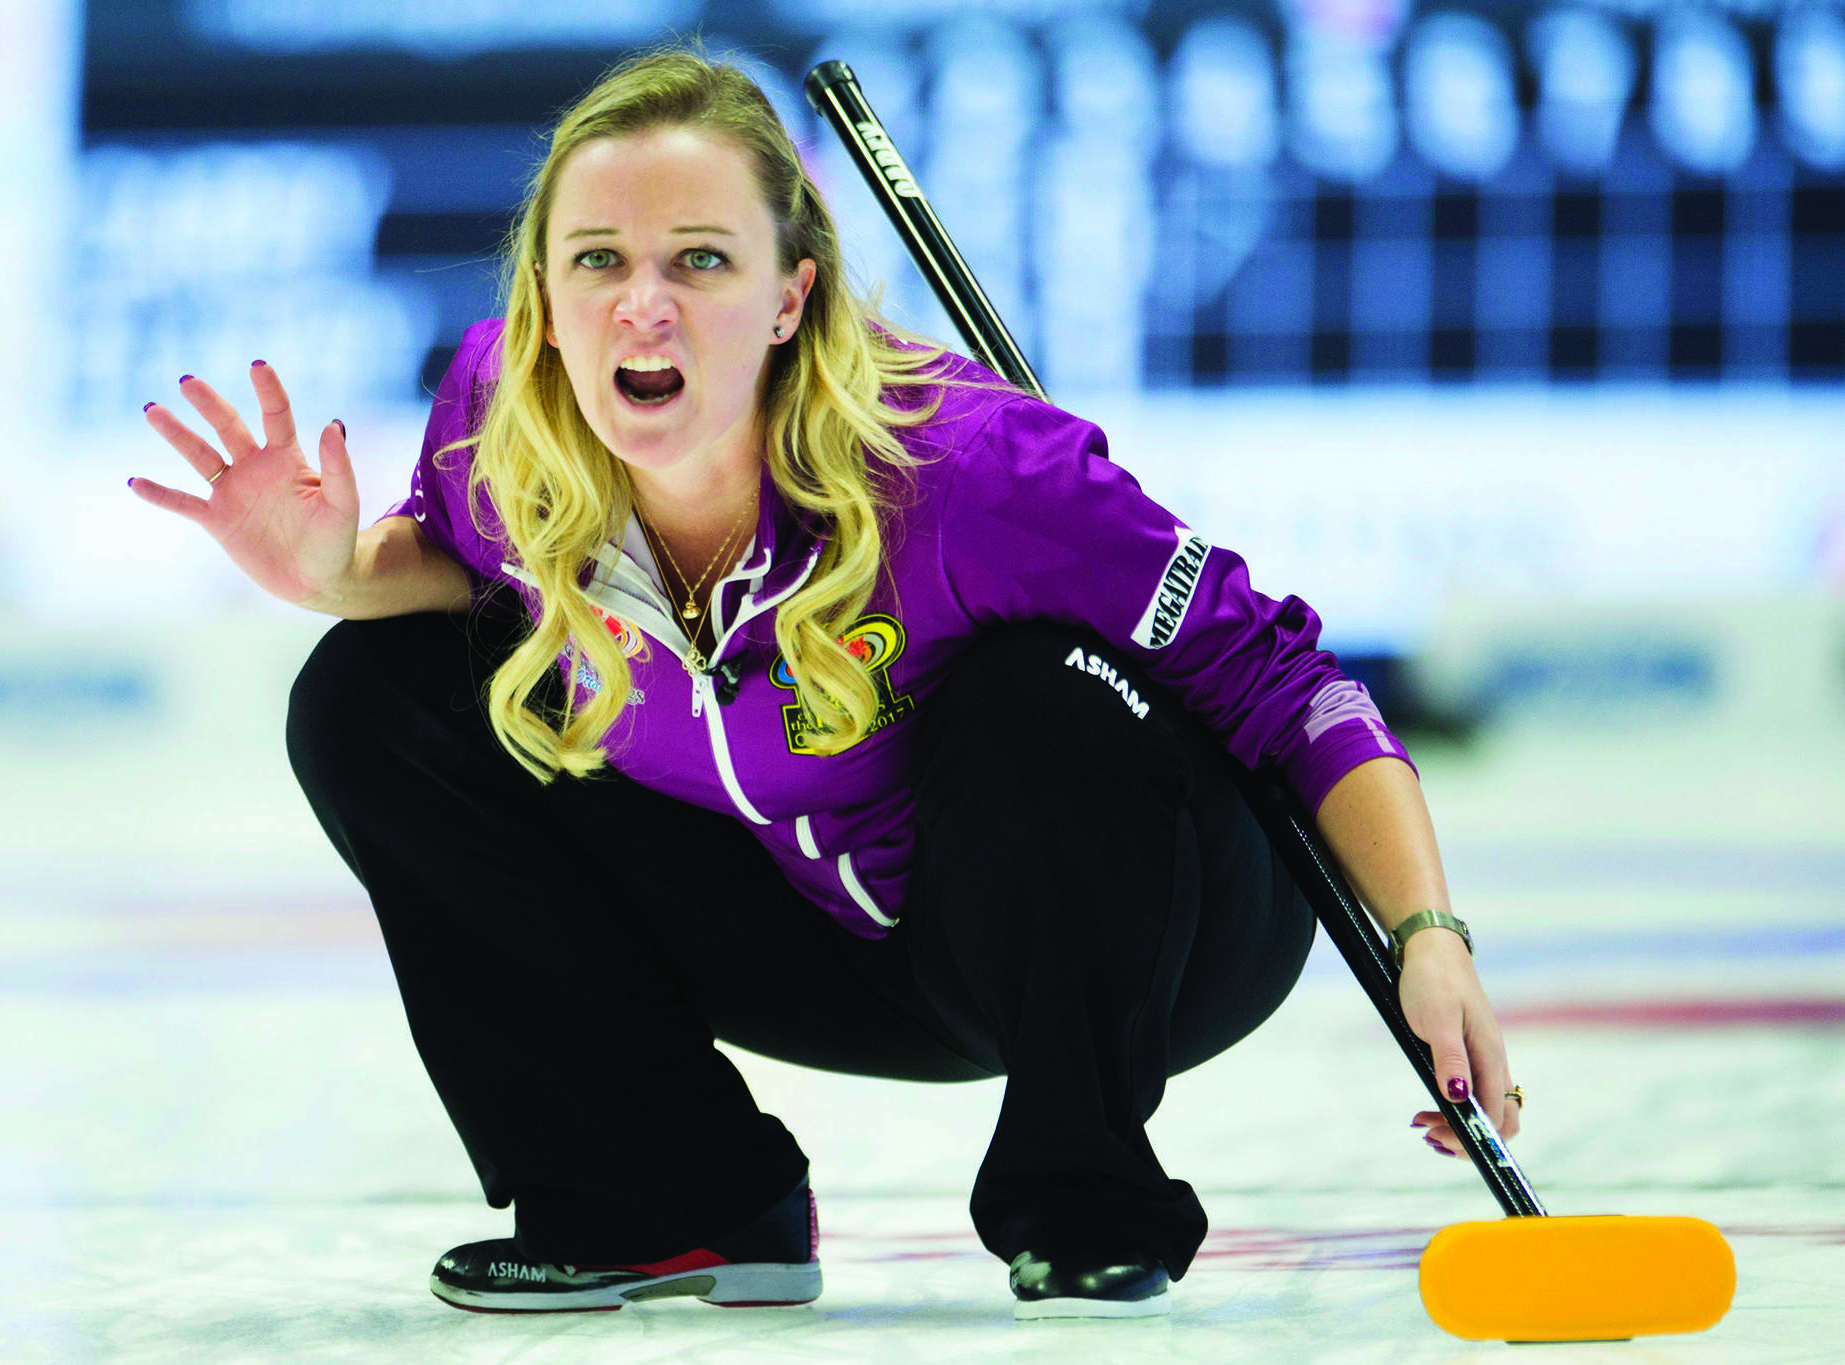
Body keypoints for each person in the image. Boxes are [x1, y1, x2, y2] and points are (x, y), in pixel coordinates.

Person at [128, 43, 1523, 1322]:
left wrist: (1428, 933)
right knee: (370, 695)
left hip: (1151, 939)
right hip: (828, 936)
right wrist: (333, 572)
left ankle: (1085, 1195)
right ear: (543, 300)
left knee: (1041, 692)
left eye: (702, 261)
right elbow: (461, 565)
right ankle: (665, 1197)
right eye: (598, 260)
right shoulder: (506, 421)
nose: (644, 305)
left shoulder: (978, 473)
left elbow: (1284, 681)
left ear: (793, 293)